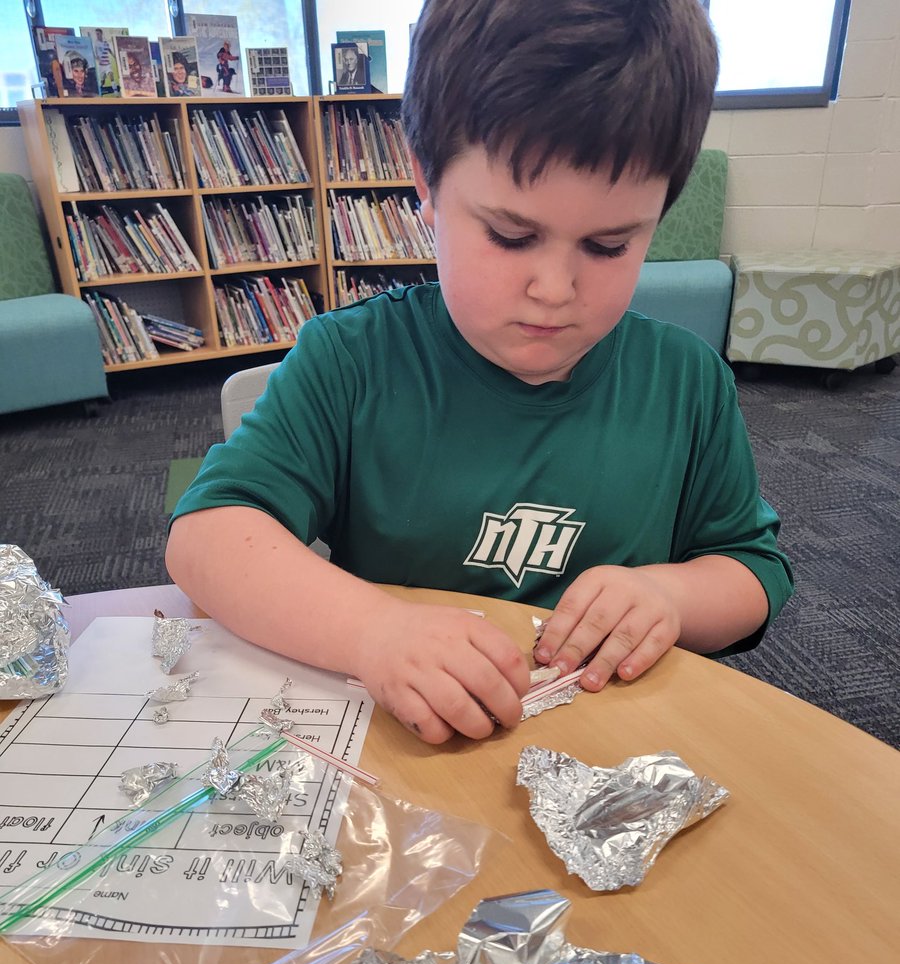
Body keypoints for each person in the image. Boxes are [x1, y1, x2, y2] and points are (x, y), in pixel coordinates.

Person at [167, 0, 793, 746]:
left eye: (608, 246)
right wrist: (373, 632)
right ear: (425, 185)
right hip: (413, 746)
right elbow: (205, 538)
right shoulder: (351, 361)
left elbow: (754, 570)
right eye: (511, 234)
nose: (555, 289)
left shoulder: (686, 380)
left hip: (615, 756)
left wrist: (671, 596)